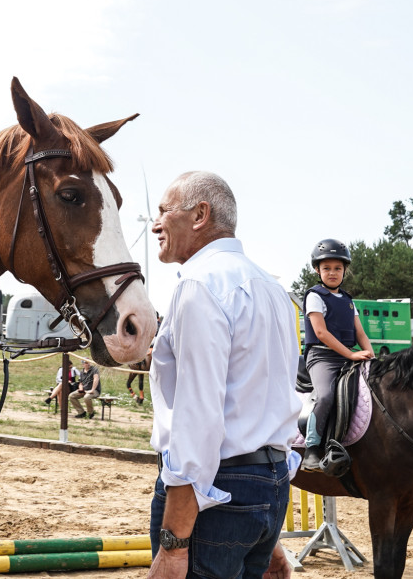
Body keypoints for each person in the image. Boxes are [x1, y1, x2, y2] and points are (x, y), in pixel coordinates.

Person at [148, 171, 300, 579]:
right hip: (269, 485)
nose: (154, 222)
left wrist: (175, 546)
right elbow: (268, 404)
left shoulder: (200, 285)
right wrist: (266, 535)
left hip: (214, 491)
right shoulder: (273, 290)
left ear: (200, 214)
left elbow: (198, 421)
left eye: (164, 210)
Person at [300, 239, 375, 472]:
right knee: (325, 395)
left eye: (337, 268)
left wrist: (370, 352)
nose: (332, 273)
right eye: (326, 268)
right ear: (317, 270)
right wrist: (351, 355)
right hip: (322, 357)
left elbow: (359, 331)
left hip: (345, 355)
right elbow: (321, 332)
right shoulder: (315, 296)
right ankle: (312, 449)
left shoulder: (348, 300)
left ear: (344, 271)